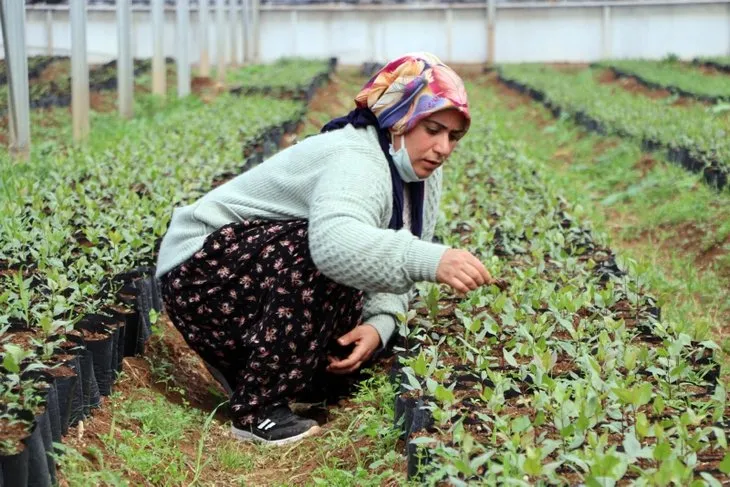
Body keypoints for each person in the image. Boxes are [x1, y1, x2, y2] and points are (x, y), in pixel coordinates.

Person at [155, 52, 494, 446]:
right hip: (203, 273)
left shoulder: (418, 173)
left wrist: (378, 323)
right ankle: (255, 410)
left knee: (344, 370)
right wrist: (429, 259)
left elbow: (382, 258)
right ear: (398, 119)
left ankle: (251, 367)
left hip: (251, 274)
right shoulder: (357, 158)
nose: (443, 147)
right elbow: (334, 246)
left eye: (453, 136)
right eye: (432, 129)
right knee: (319, 252)